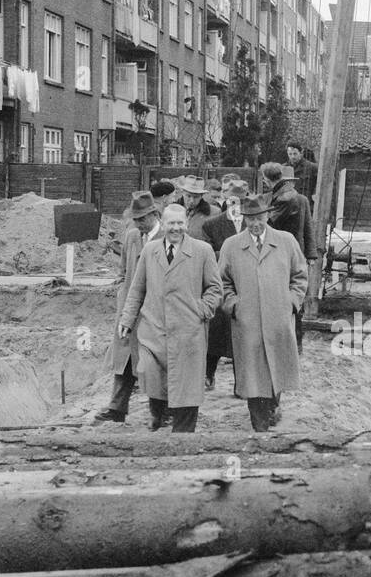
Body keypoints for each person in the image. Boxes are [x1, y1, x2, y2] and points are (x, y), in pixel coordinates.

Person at [118, 201, 222, 432]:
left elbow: (215, 288)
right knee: (153, 377)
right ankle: (159, 416)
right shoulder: (150, 250)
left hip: (188, 329)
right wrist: (127, 319)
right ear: (162, 224)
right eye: (170, 223)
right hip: (154, 328)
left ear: (186, 223)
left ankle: (184, 433)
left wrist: (202, 309)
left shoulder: (202, 251)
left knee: (187, 385)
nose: (175, 228)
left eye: (180, 223)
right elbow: (137, 288)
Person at [218, 192, 307, 432]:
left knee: (275, 368)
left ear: (267, 215)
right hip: (247, 322)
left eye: (259, 218)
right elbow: (222, 282)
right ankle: (259, 424)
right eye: (250, 219)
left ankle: (272, 406)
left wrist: (291, 301)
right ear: (244, 219)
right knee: (253, 374)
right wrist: (233, 305)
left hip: (278, 318)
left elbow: (300, 275)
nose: (255, 224)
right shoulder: (232, 246)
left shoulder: (286, 241)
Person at [95, 190, 160, 423]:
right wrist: (123, 295)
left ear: (154, 214)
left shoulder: (166, 236)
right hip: (130, 309)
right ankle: (117, 408)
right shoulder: (132, 237)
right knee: (124, 358)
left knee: (155, 360)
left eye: (143, 219)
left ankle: (160, 411)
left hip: (155, 310)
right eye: (136, 219)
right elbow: (123, 272)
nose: (139, 223)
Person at [199, 176, 249, 391]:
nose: (235, 205)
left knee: (244, 336)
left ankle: (242, 383)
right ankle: (208, 375)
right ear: (225, 200)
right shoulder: (212, 224)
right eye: (231, 201)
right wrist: (233, 253)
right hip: (221, 285)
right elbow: (207, 254)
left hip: (247, 287)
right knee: (217, 334)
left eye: (239, 201)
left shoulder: (254, 223)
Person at [261, 163, 317, 352]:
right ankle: (295, 342)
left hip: (282, 253)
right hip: (295, 252)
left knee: (287, 297)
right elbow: (308, 229)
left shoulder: (287, 199)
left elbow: (268, 223)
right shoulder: (294, 197)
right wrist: (310, 253)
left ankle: (291, 341)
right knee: (293, 296)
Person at [174, 175, 215, 240]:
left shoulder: (214, 213)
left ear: (201, 196)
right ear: (182, 193)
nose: (192, 200)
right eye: (188, 196)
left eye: (196, 197)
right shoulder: (171, 210)